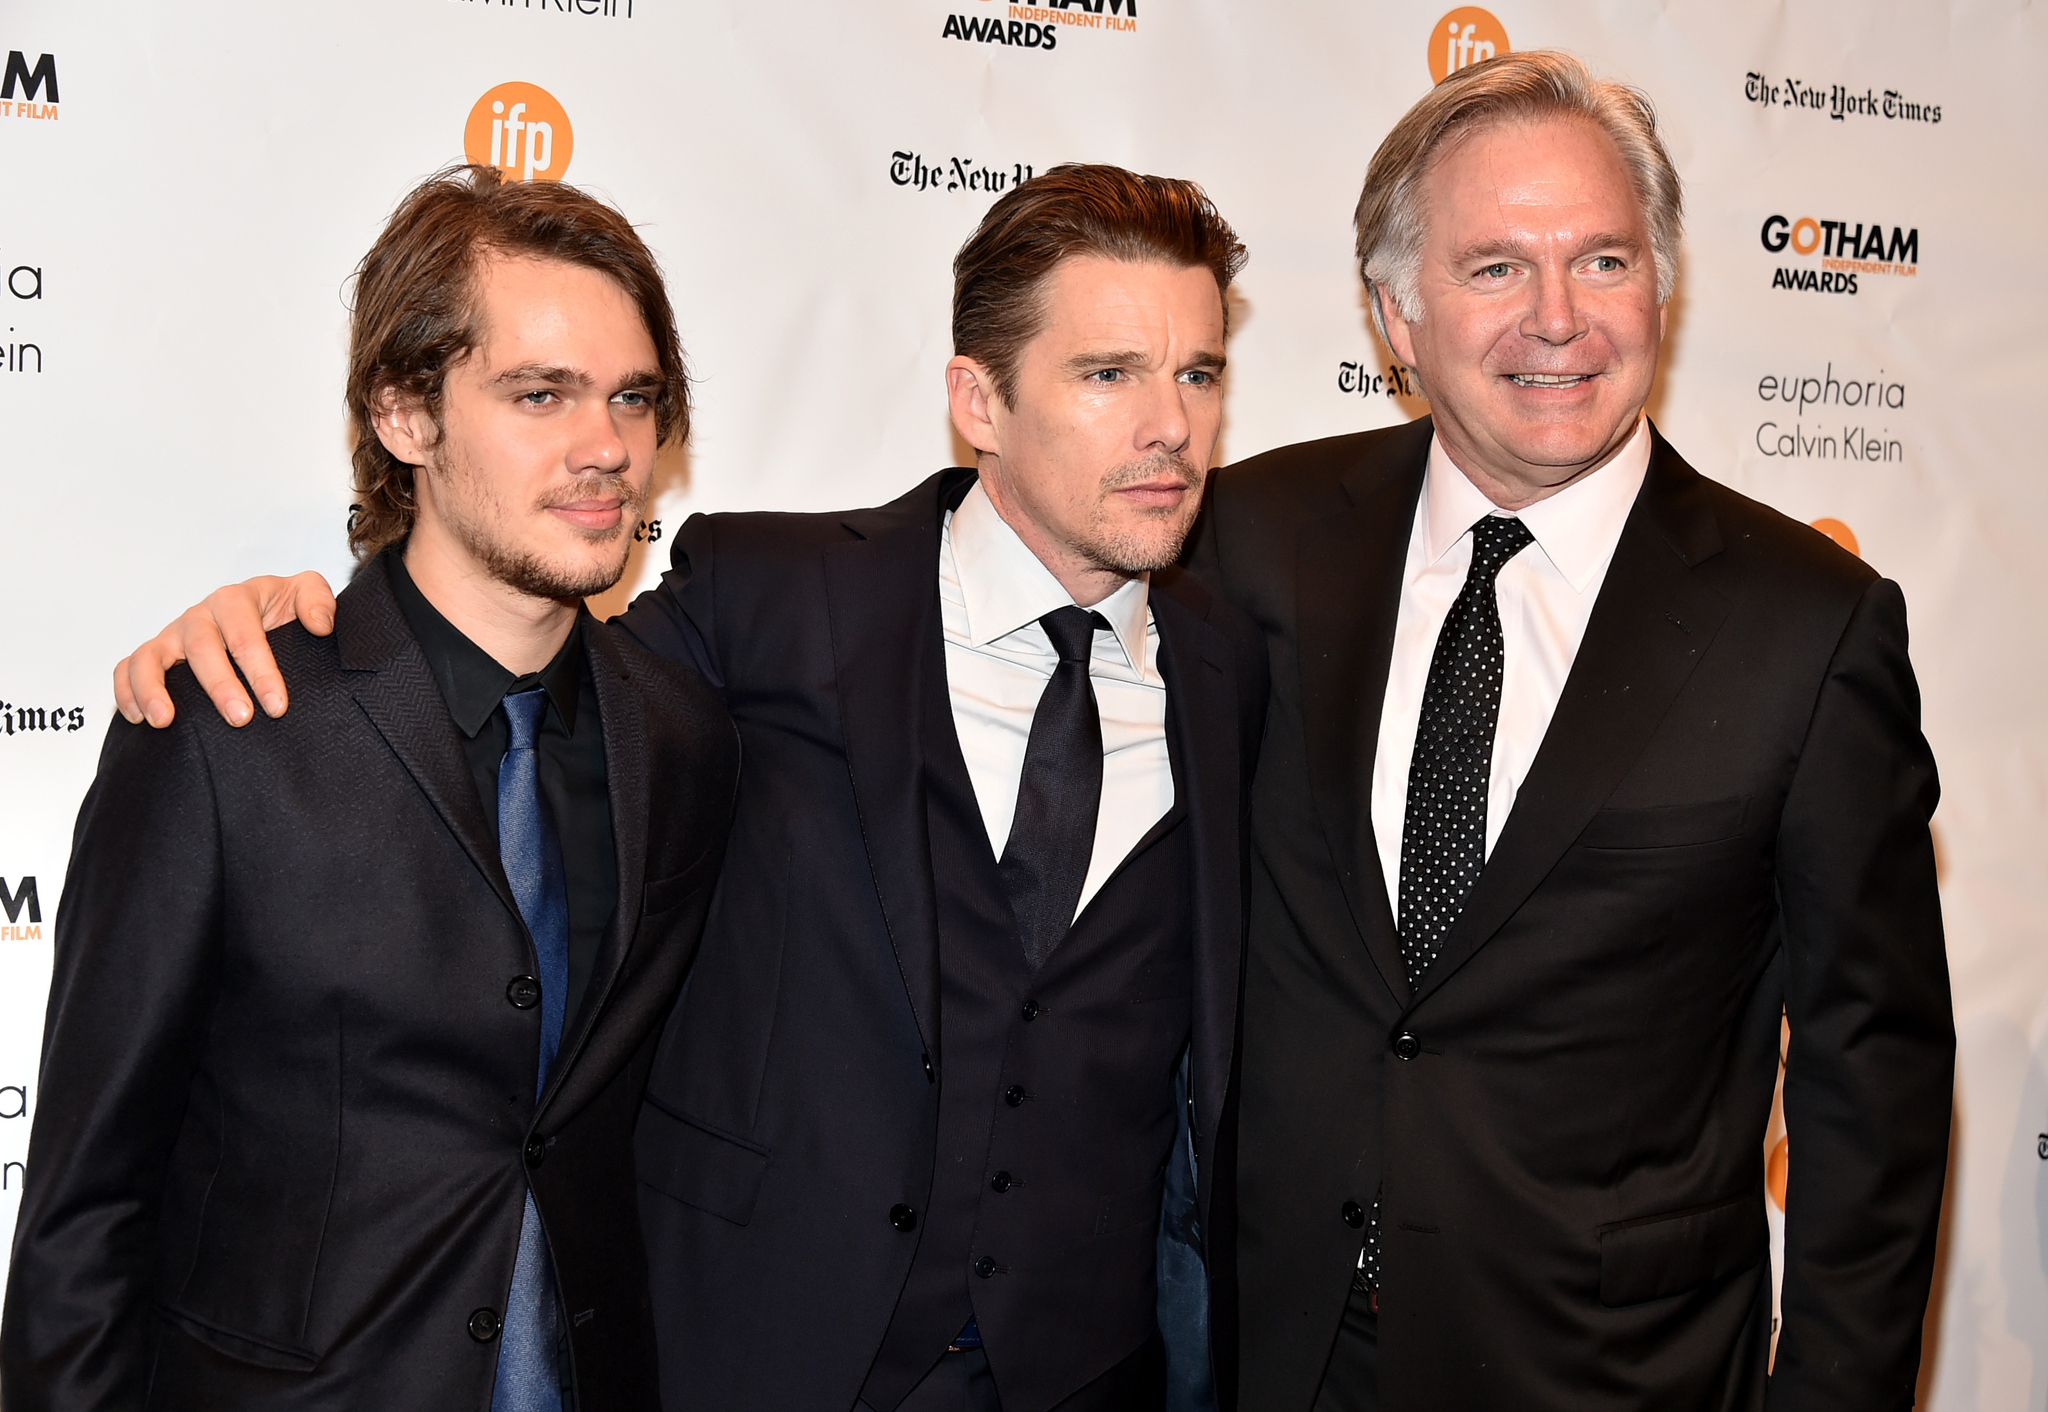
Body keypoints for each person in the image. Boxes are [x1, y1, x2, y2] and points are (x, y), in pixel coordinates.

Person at [105, 164, 1267, 1412]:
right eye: (1108, 374)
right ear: (977, 399)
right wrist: (296, 613)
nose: (1171, 426)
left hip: (1081, 1372)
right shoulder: (762, 597)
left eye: (1197, 373)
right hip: (756, 1358)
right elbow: (494, 677)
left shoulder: (1239, 669)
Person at [1186, 51, 1953, 1411]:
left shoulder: (1808, 627)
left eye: (1602, 261)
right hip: (1277, 1355)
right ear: (1395, 316)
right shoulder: (1249, 542)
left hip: (1616, 1375)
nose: (1559, 320)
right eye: (1494, 269)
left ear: (1662, 284)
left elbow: (1874, 1082)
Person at [0, 166, 740, 1411]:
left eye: (631, 397)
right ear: (405, 412)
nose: (605, 446)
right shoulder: (226, 721)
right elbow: (85, 1209)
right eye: (538, 394)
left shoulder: (679, 735)